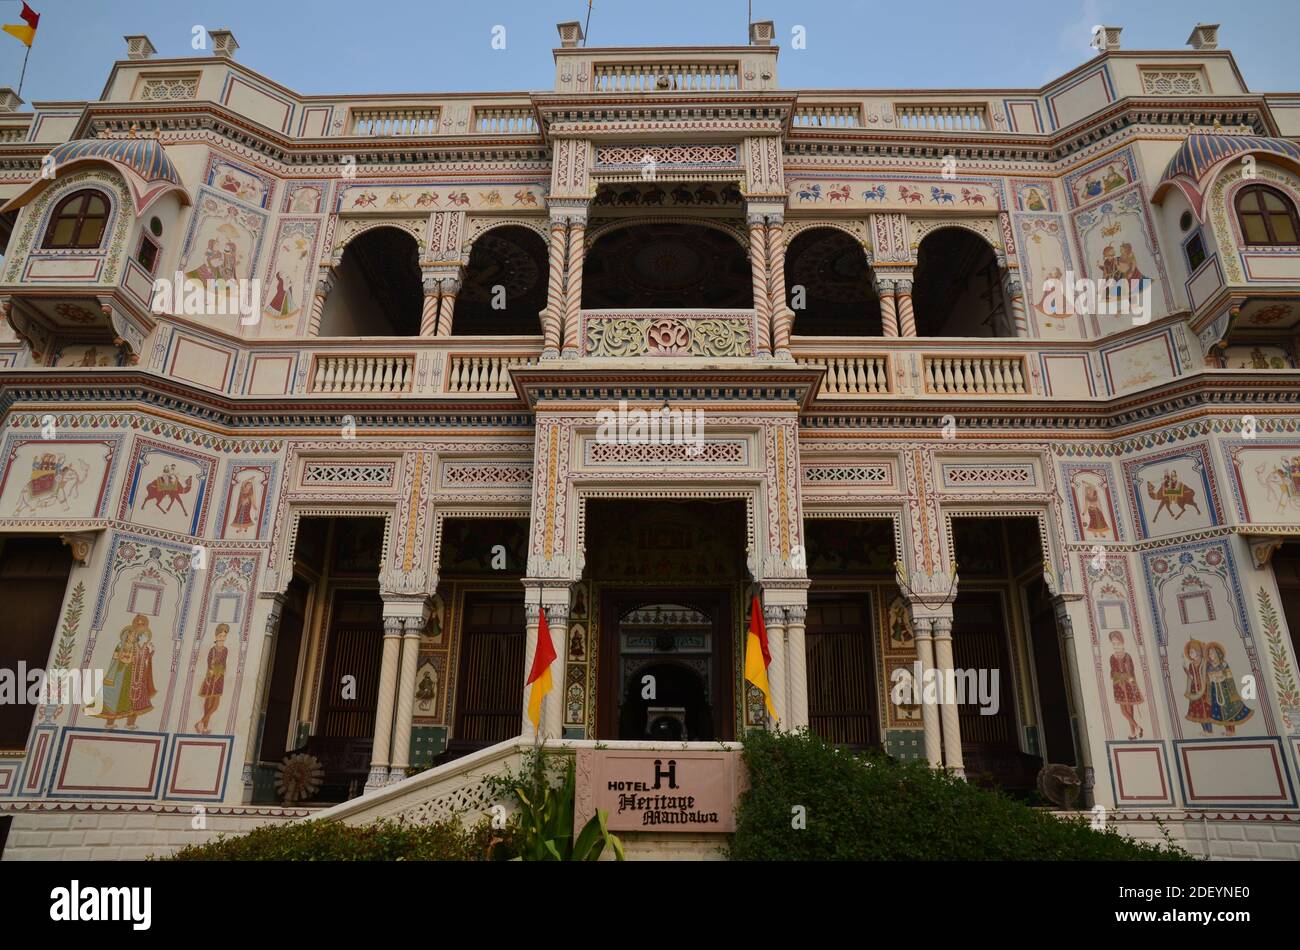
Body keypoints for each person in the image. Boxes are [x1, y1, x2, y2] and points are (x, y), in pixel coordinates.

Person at [90, 615, 156, 729]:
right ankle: (110, 723)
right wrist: (129, 654)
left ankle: (130, 723)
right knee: (115, 699)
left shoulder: (142, 646)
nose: (133, 636)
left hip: (138, 677)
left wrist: (149, 652)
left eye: (135, 635)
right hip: (122, 676)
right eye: (131, 635)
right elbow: (119, 659)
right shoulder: (122, 645)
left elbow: (144, 657)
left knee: (136, 700)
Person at [1205, 642, 1253, 734]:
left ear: (1217, 654)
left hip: (1225, 691)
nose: (1209, 655)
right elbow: (1209, 680)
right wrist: (1212, 679)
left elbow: (1229, 678)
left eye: (1211, 653)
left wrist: (1220, 677)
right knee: (1221, 712)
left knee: (1229, 711)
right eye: (1209, 653)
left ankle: (1232, 731)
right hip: (1215, 691)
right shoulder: (1209, 667)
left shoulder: (1223, 664)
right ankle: (1227, 730)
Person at [195, 624, 229, 734]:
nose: (222, 638)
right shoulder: (212, 650)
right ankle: (204, 727)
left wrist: (220, 671)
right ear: (216, 636)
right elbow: (210, 664)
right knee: (208, 702)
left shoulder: (225, 650)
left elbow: (223, 663)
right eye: (220, 635)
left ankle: (200, 723)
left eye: (224, 636)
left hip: (219, 678)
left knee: (215, 705)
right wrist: (213, 671)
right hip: (211, 677)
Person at [1108, 631, 1143, 739]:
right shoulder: (1112, 657)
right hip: (1118, 685)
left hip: (1128, 685)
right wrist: (1118, 676)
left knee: (1130, 710)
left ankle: (1133, 733)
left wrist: (1131, 681)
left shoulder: (1127, 656)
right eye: (1113, 644)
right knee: (1124, 710)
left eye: (1117, 643)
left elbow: (1131, 671)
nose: (1116, 646)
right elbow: (1113, 672)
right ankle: (1137, 727)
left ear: (1122, 643)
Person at [1183, 639, 1211, 734]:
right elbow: (1191, 677)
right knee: (1198, 711)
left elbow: (1207, 675)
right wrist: (1185, 670)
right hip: (1195, 689)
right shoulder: (1191, 664)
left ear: (1198, 652)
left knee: (1206, 711)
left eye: (1192, 652)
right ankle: (1205, 730)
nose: (1190, 655)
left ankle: (1209, 730)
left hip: (1205, 689)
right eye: (1189, 653)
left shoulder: (1204, 662)